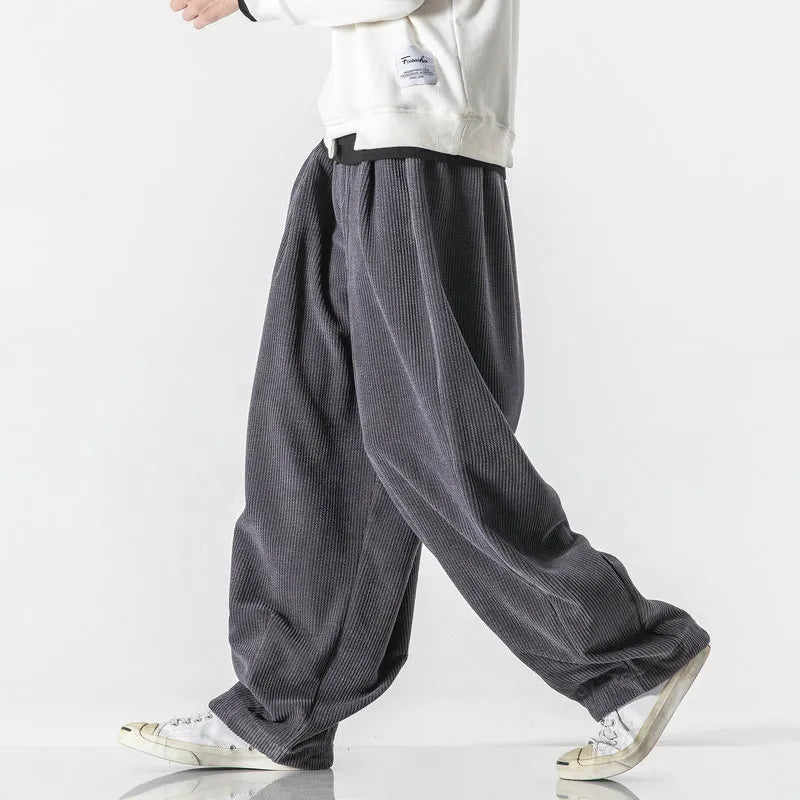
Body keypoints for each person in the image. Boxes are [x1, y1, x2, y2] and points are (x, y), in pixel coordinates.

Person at [118, 0, 711, 782]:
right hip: (361, 144)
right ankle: (282, 705)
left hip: (415, 143)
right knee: (310, 432)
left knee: (433, 444)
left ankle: (629, 658)